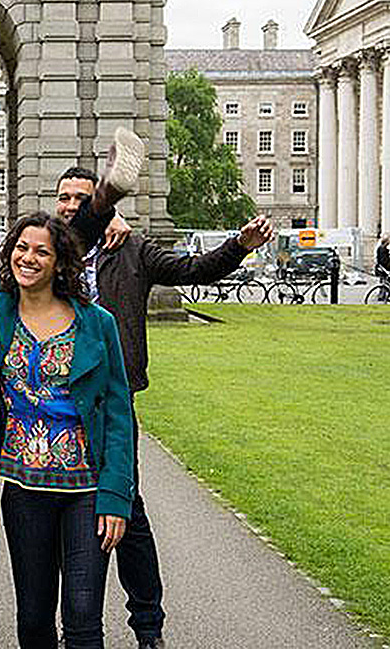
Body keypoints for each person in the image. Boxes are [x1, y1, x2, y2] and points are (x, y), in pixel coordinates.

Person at [51, 156, 273, 649]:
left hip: (112, 401)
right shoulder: (50, 252)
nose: (70, 207)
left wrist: (239, 245)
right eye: (63, 198)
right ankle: (80, 626)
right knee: (69, 518)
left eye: (81, 199)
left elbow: (192, 270)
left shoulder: (132, 250)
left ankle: (147, 626)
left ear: (100, 204)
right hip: (55, 405)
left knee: (125, 512)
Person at [0, 209, 133, 649]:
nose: (28, 258)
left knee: (83, 614)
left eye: (41, 251)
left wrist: (116, 496)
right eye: (21, 248)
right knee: (33, 617)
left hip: (86, 490)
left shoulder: (96, 323)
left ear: (59, 262)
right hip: (23, 489)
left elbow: (118, 415)